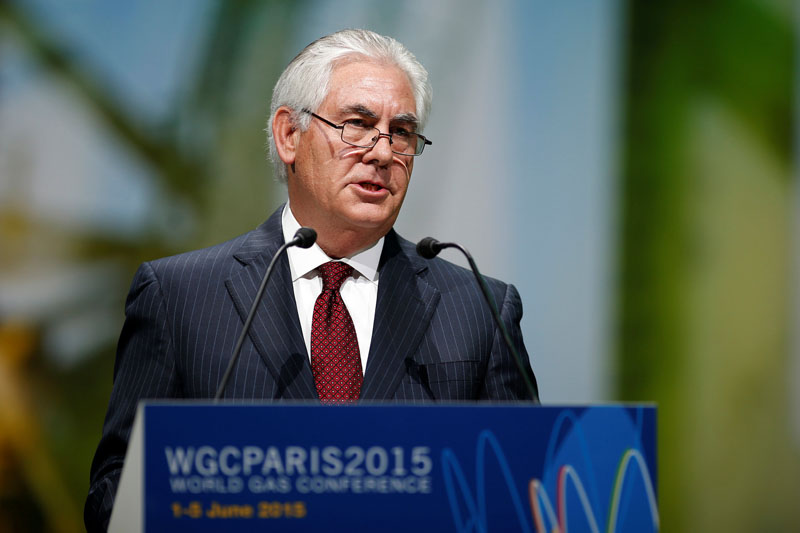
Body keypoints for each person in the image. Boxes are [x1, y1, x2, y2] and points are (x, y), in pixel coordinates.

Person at [84, 29, 538, 531]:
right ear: (289, 136)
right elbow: (112, 494)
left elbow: (525, 490)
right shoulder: (180, 296)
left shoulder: (478, 307)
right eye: (357, 124)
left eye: (402, 132)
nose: (383, 152)